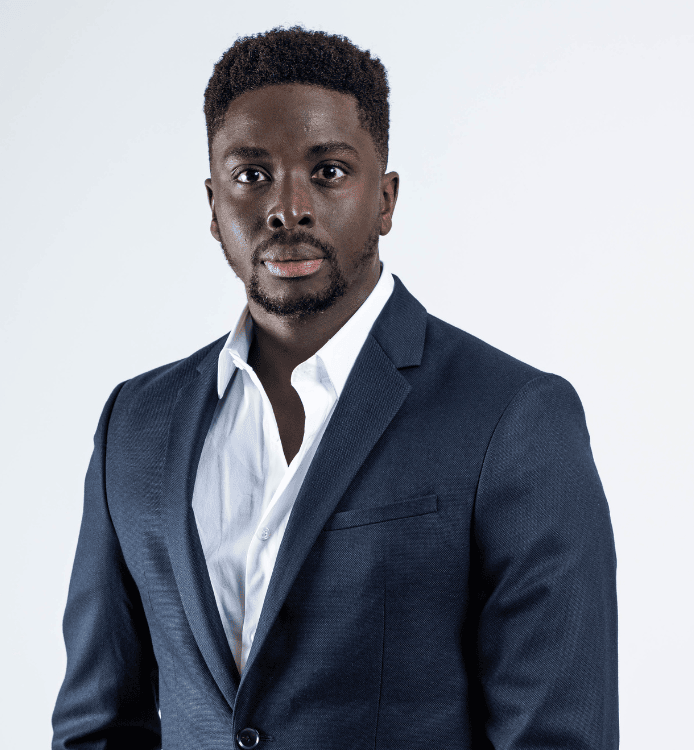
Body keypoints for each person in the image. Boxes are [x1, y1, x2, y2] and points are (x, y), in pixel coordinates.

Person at [52, 26, 619, 750]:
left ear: (385, 199)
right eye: (251, 175)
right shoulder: (136, 423)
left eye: (327, 171)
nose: (287, 208)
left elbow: (557, 736)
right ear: (213, 204)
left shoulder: (513, 418)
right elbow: (97, 726)